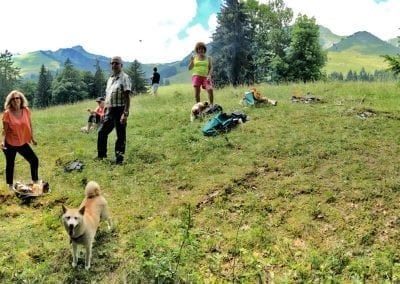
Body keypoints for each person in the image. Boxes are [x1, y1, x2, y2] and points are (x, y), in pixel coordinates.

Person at [1, 90, 39, 191]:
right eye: (13, 99)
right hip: (9, 144)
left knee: (34, 160)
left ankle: (35, 182)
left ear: (21, 99)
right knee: (10, 163)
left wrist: (32, 138)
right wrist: (2, 142)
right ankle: (10, 186)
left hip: (22, 142)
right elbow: (4, 130)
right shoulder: (7, 113)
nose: (15, 100)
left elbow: (29, 125)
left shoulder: (26, 110)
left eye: (17, 98)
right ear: (10, 101)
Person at [96, 56, 131, 165]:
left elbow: (127, 97)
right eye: (112, 63)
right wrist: (104, 112)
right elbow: (108, 97)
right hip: (110, 111)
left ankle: (119, 160)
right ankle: (101, 156)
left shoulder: (125, 77)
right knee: (102, 132)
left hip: (120, 110)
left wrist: (125, 114)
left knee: (120, 136)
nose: (114, 65)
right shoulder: (110, 79)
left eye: (116, 63)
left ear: (121, 65)